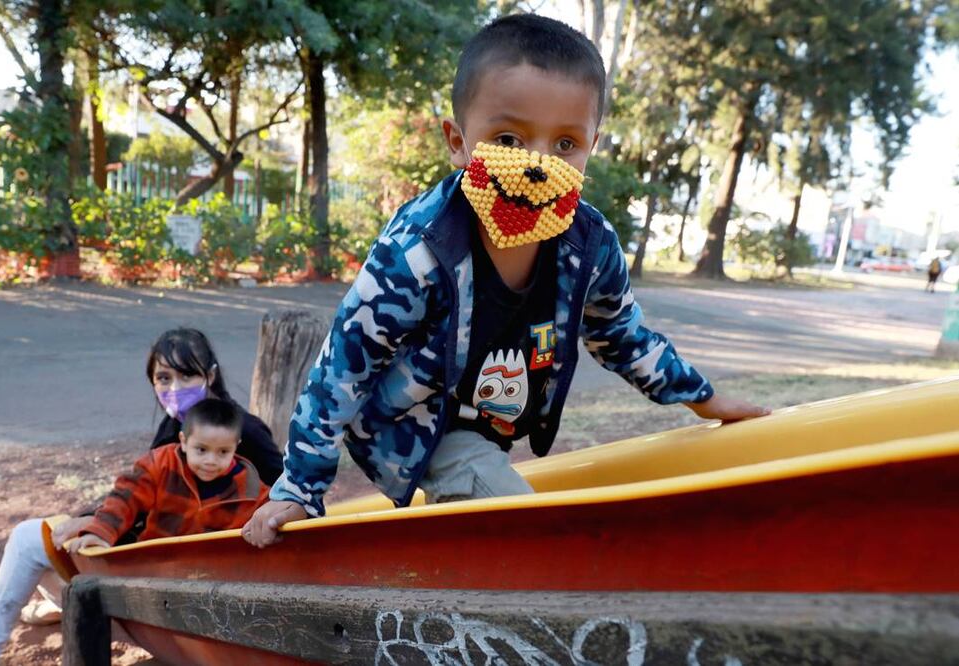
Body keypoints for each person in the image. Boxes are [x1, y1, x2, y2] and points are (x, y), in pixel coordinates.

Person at [243, 14, 768, 549]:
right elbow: (344, 364)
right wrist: (301, 488)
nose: (538, 163)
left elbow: (621, 336)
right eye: (509, 138)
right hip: (418, 419)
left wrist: (704, 398)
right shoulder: (418, 249)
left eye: (566, 143)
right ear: (458, 141)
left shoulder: (588, 245)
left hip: (493, 417)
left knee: (485, 483)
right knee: (518, 528)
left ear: (592, 145)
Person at [0, 328, 281, 666]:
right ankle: (57, 606)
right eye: (163, 378)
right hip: (162, 555)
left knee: (28, 541)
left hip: (194, 574)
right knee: (54, 539)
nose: (174, 389)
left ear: (210, 375)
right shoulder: (173, 429)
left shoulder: (244, 431)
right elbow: (138, 492)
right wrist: (97, 521)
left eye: (187, 376)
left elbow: (283, 493)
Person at [64, 398, 268, 553]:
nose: (211, 460)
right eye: (201, 450)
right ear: (184, 441)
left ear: (236, 446)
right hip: (153, 560)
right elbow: (125, 498)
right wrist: (101, 531)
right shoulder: (161, 464)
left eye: (223, 452)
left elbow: (272, 516)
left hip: (212, 573)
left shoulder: (249, 487)